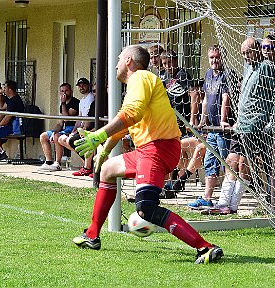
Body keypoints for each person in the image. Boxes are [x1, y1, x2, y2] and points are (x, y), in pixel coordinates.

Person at [72, 45, 223, 264]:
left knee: (146, 209)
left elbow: (131, 114)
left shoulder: (140, 77)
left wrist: (99, 136)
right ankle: (92, 235)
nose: (115, 63)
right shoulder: (139, 83)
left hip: (158, 148)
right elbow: (127, 123)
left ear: (129, 61)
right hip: (148, 149)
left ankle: (206, 247)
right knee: (108, 170)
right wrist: (104, 150)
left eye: (118, 58)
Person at [188, 45, 232, 208]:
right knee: (209, 162)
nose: (214, 60)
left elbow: (225, 99)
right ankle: (207, 197)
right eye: (211, 57)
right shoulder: (208, 74)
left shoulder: (227, 75)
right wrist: (202, 121)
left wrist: (223, 120)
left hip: (222, 129)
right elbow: (206, 99)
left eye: (217, 57)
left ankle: (227, 200)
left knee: (227, 163)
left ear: (223, 58)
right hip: (211, 129)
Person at [235, 37, 275, 200]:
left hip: (259, 123)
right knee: (246, 161)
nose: (246, 56)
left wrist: (272, 120)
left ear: (257, 49)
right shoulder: (247, 67)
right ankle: (257, 192)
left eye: (248, 52)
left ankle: (271, 195)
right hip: (244, 124)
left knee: (266, 160)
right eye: (243, 53)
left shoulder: (266, 67)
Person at [58, 77, 94, 176]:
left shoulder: (91, 97)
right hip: (81, 128)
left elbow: (86, 118)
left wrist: (83, 129)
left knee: (72, 140)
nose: (81, 87)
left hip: (89, 128)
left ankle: (88, 166)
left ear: (88, 86)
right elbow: (79, 118)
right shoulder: (82, 101)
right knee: (62, 139)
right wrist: (73, 131)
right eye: (79, 85)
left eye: (84, 85)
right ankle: (88, 165)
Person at [39, 83, 79, 171]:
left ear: (71, 91)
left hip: (73, 129)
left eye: (66, 91)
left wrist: (63, 103)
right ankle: (48, 162)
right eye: (62, 91)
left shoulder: (75, 102)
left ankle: (57, 163)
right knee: (43, 136)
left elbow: (67, 118)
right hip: (64, 129)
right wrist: (54, 132)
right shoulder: (62, 105)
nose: (64, 93)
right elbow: (60, 123)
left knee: (57, 137)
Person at [0, 80, 25, 161]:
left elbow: (7, 118)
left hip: (14, 127)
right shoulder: (10, 99)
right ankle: (1, 153)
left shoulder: (14, 101)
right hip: (10, 125)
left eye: (5, 88)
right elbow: (1, 107)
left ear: (10, 90)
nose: (3, 89)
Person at [160, 50, 192, 136]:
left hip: (182, 116)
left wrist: (192, 118)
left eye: (170, 62)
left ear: (176, 60)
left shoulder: (182, 75)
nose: (168, 66)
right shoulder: (164, 76)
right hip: (169, 116)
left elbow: (192, 94)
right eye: (164, 63)